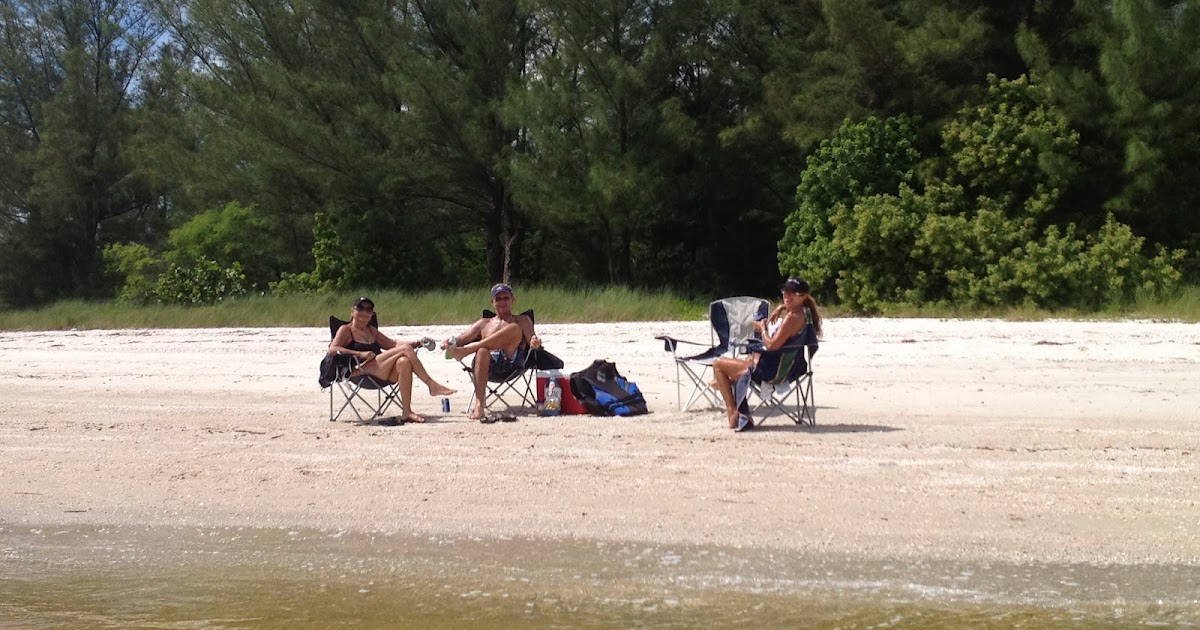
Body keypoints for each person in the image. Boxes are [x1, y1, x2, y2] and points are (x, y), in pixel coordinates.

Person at [711, 278, 824, 432]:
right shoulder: (806, 312)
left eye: (792, 293)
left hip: (772, 372)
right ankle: (726, 382)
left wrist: (762, 328)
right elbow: (792, 309)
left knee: (718, 364)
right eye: (785, 291)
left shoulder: (792, 318)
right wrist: (781, 307)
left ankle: (733, 412)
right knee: (749, 359)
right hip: (791, 367)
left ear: (802, 296)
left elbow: (771, 346)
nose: (787, 295)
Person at [327, 296, 455, 423]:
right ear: (352, 311)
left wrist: (418, 343)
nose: (364, 312)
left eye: (368, 309)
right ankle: (431, 385)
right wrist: (360, 353)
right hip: (357, 373)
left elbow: (392, 345)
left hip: (378, 371)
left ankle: (407, 412)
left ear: (371, 314)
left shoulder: (371, 330)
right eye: (360, 308)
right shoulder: (346, 330)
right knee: (405, 349)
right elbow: (332, 349)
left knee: (403, 362)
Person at [442, 283, 543, 420]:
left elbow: (533, 341)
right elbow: (460, 339)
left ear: (513, 300)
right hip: (487, 367)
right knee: (482, 351)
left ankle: (468, 351)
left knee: (513, 328)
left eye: (506, 298)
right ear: (492, 302)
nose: (502, 301)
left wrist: (535, 343)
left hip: (512, 364)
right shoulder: (484, 323)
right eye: (498, 299)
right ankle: (479, 405)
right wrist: (448, 342)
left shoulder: (522, 320)